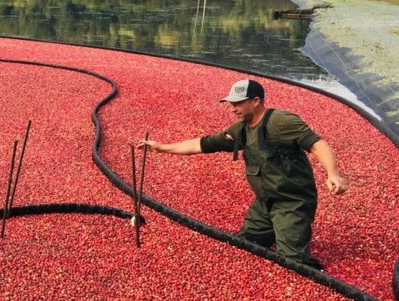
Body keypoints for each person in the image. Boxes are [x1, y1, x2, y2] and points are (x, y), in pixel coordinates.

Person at [139, 79, 346, 270]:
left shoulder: (281, 122)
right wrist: (162, 148)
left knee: (292, 264)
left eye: (237, 103)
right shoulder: (240, 129)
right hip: (264, 202)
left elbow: (317, 145)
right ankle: (278, 230)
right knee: (245, 244)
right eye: (230, 104)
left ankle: (294, 242)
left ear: (256, 101)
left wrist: (332, 174)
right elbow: (202, 144)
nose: (232, 109)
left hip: (292, 201)